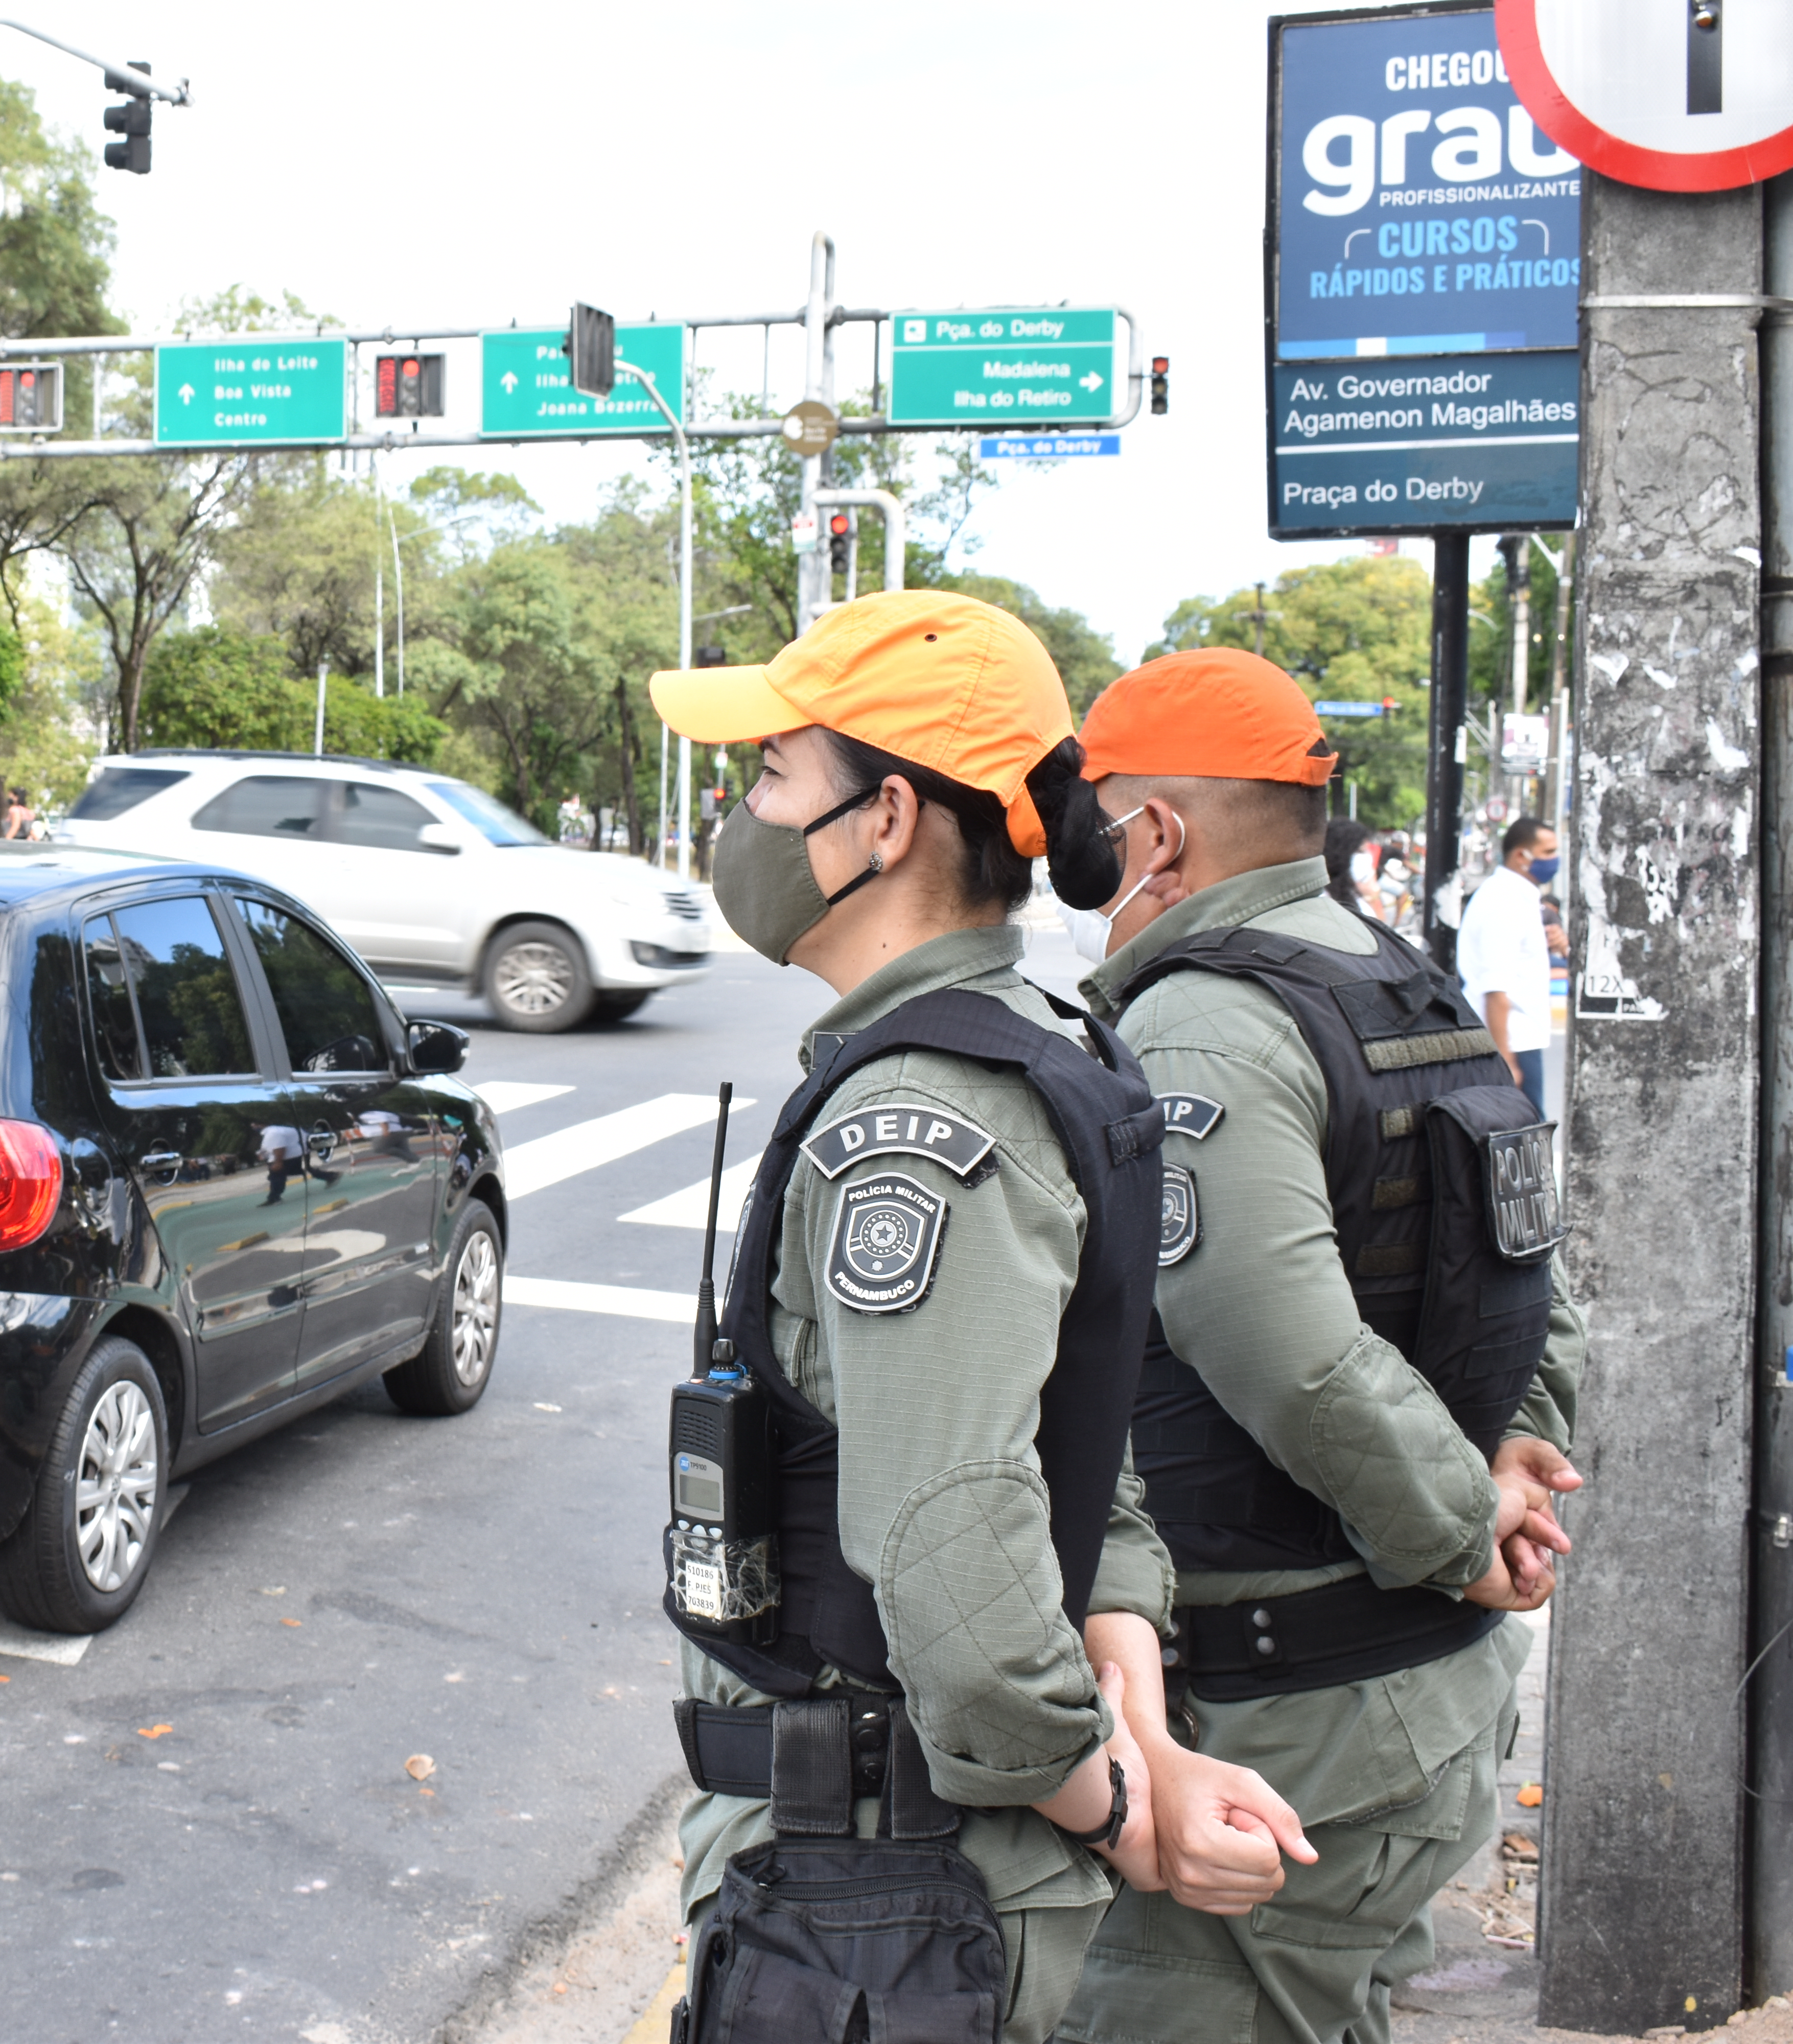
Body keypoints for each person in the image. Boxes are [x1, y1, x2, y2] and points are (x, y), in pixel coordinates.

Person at [649, 592, 1309, 2044]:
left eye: (771, 776)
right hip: (900, 1871)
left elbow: (954, 1555)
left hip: (873, 1895)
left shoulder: (914, 1120)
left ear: (885, 819)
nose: (743, 817)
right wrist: (1141, 1739)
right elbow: (1085, 1449)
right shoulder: (1041, 1051)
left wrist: (1120, 1806)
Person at [1055, 648, 1586, 2044]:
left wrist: (1466, 1528)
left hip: (1286, 1719)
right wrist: (1518, 1451)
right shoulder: (1403, 981)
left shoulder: (1201, 1024)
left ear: (1156, 833)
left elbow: (1285, 1351)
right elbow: (1531, 1271)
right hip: (1404, 1701)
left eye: (1093, 815)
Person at [1457, 815, 1558, 1120]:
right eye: (1548, 852)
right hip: (1512, 1042)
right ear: (1520, 856)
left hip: (1520, 1039)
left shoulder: (1518, 897)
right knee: (1523, 1135)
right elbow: (1496, 989)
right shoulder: (1504, 901)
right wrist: (1507, 1062)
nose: (1554, 860)